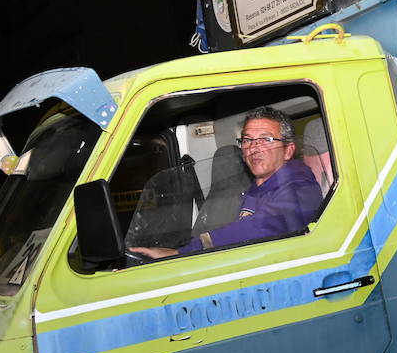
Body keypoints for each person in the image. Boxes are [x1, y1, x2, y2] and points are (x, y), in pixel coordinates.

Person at [132, 106, 322, 259]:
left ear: (288, 150)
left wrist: (183, 252)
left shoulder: (299, 185)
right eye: (247, 140)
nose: (254, 148)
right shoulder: (256, 188)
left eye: (266, 139)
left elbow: (264, 225)